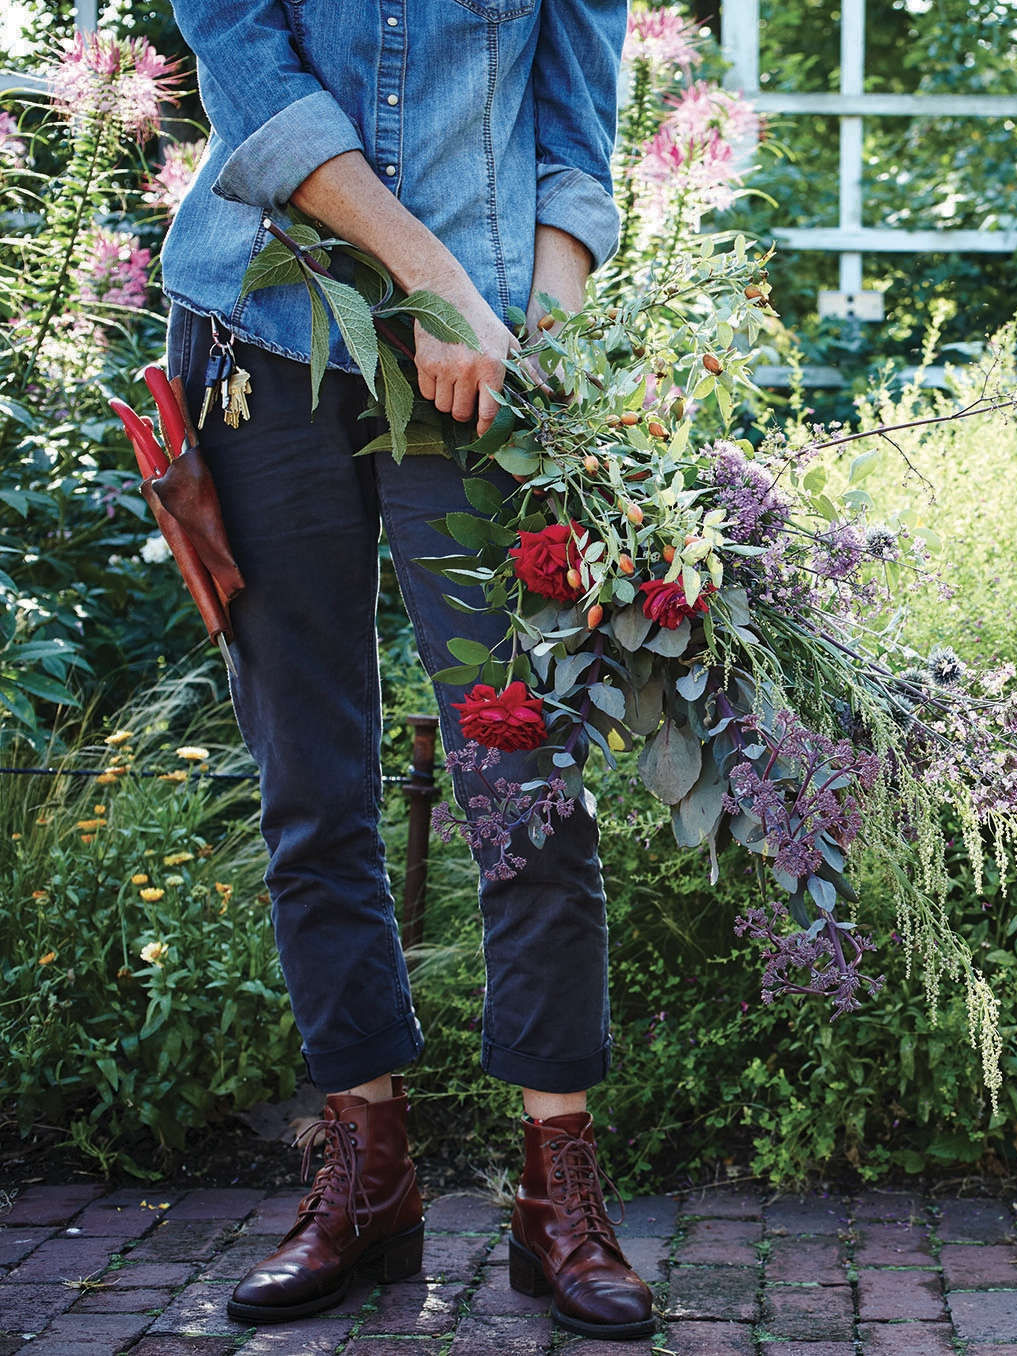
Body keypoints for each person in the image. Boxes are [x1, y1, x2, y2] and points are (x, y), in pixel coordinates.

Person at [158, 0, 653, 1340]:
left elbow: (573, 148)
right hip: (263, 343)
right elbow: (257, 82)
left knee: (525, 780)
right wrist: (430, 282)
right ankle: (364, 1173)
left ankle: (559, 1197)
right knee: (314, 787)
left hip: (476, 369)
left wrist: (535, 341)